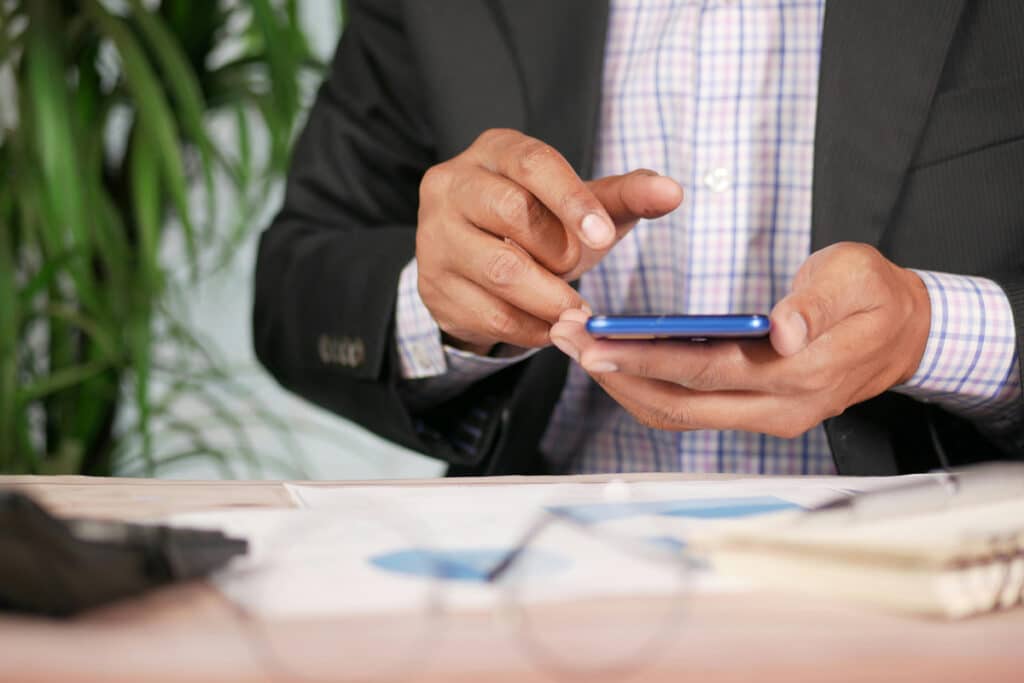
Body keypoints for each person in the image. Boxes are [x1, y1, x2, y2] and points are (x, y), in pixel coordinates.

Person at [253, 0, 1024, 476]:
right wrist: (453, 297)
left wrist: (931, 333)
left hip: (932, 597)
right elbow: (296, 287)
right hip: (543, 594)